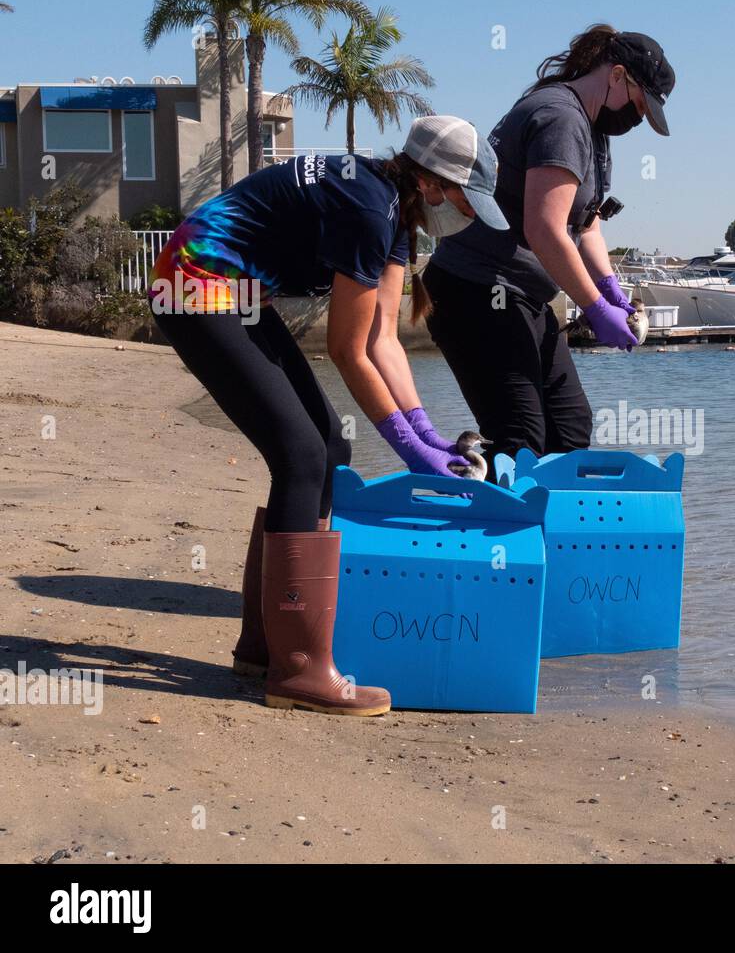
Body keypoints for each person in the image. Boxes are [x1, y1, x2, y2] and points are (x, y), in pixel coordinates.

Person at [149, 115, 508, 717]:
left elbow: (382, 341)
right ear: (434, 185)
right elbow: (346, 350)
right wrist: (413, 455)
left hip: (234, 292)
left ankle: (264, 647)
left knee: (330, 453)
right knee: (301, 454)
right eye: (468, 203)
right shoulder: (370, 209)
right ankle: (299, 670)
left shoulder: (393, 211)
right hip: (192, 283)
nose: (469, 217)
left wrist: (429, 438)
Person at [423, 25, 676, 478]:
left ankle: (554, 539)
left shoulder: (593, 127)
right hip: (475, 288)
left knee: (570, 428)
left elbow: (585, 220)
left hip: (522, 294)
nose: (636, 119)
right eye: (638, 106)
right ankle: (498, 540)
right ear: (617, 75)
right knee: (520, 435)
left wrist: (610, 287)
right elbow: (544, 229)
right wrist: (595, 308)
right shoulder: (560, 117)